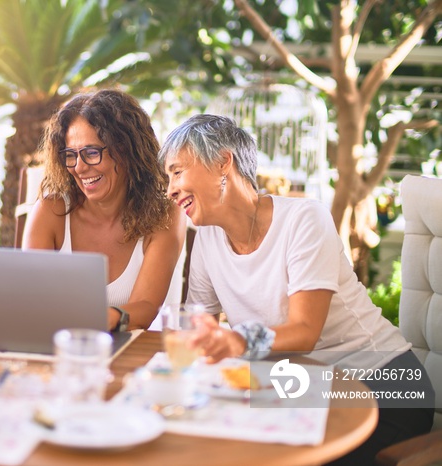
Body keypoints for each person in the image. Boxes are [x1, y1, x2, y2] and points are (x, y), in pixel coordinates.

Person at [158, 114, 434, 465]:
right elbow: (196, 324)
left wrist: (236, 340)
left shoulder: (304, 218)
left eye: (177, 171)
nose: (170, 189)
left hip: (384, 384)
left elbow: (304, 332)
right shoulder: (208, 238)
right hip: (304, 386)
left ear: (222, 162)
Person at [23, 89, 185, 331]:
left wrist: (101, 318)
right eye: (70, 155)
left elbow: (146, 306)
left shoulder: (165, 213)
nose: (78, 167)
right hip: (64, 350)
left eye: (91, 153)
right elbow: (30, 299)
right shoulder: (51, 210)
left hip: (139, 358)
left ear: (127, 150)